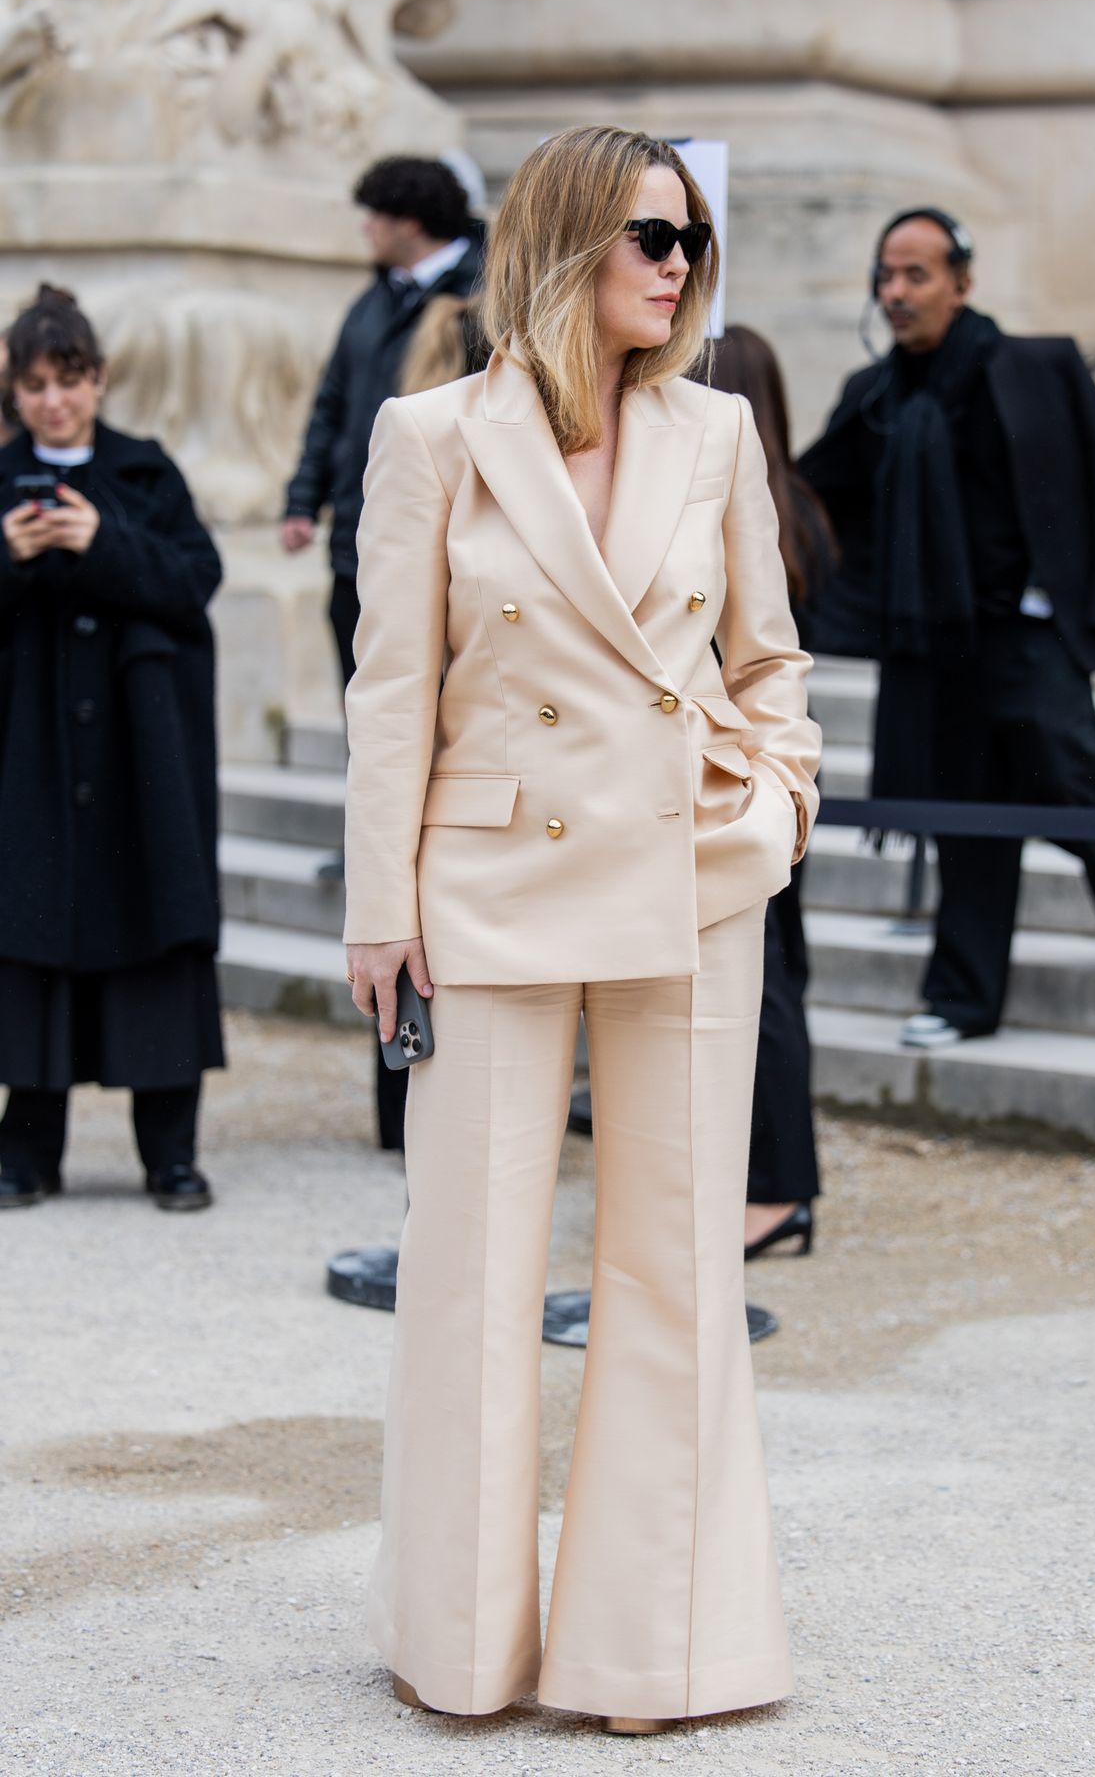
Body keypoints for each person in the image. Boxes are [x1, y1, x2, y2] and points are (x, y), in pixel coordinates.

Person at [343, 125, 821, 1732]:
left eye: (691, 241)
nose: (679, 267)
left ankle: (657, 1653)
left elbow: (770, 661)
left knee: (675, 1265)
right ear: (563, 242)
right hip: (487, 882)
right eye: (649, 237)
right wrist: (375, 904)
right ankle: (461, 1647)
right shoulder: (432, 435)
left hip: (690, 878)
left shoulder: (720, 431)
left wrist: (778, 804)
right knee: (469, 1264)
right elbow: (390, 687)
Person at [799, 208, 1095, 1047]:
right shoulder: (875, 395)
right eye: (885, 277)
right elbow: (816, 497)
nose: (895, 293)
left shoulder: (1035, 368)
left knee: (1071, 770)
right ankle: (964, 999)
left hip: (1023, 627)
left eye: (916, 275)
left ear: (962, 283)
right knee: (965, 808)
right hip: (931, 639)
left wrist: (1067, 596)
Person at [0, 285, 223, 1209]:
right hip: (32, 760)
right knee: (30, 938)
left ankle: (169, 1153)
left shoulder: (144, 472)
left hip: (143, 762)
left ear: (99, 379)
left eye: (72, 380)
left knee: (157, 941)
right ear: (15, 391)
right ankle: (25, 1152)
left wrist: (100, 540)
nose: (55, 401)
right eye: (37, 385)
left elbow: (195, 579)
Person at [280, 155, 482, 1145]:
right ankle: (396, 1104)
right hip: (364, 548)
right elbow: (331, 405)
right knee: (381, 743)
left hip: (460, 574)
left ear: (408, 218)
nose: (363, 232)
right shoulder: (371, 307)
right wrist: (300, 499)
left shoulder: (482, 293)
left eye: (372, 217)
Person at [710, 325, 837, 1259]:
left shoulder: (753, 503)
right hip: (753, 777)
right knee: (769, 983)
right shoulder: (800, 505)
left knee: (769, 991)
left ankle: (780, 1188)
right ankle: (768, 1180)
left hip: (741, 777)